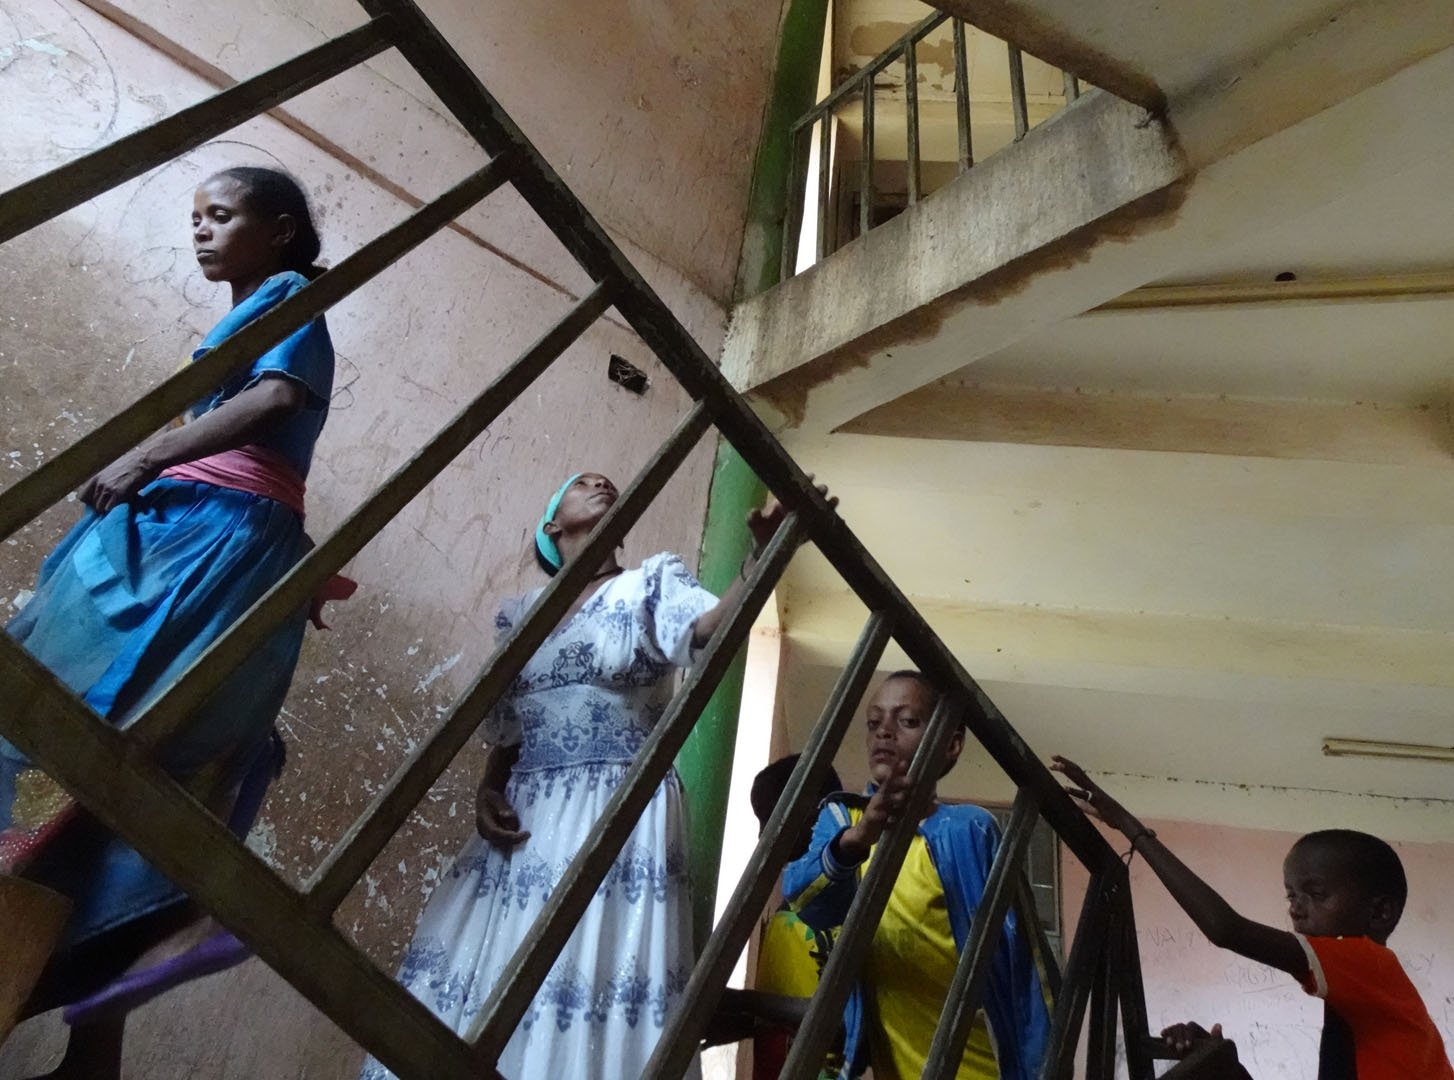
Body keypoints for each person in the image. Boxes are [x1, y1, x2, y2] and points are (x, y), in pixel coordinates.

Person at [0, 166, 336, 1078]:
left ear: (281, 230)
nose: (200, 233)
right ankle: (88, 1044)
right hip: (191, 533)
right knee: (102, 767)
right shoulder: (254, 304)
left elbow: (275, 399)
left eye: (221, 216)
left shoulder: (294, 294)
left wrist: (150, 451)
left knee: (90, 742)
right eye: (194, 219)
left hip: (208, 546)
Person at [362, 472, 828, 1080]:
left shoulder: (649, 585)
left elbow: (707, 630)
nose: (601, 484)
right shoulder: (521, 617)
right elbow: (509, 726)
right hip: (525, 821)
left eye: (607, 482)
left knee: (588, 974)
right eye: (581, 483)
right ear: (553, 526)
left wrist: (759, 559)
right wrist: (487, 789)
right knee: (492, 979)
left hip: (619, 809)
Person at [1051, 755, 1454, 1080]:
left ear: (1380, 912)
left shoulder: (1368, 962)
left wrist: (1132, 829)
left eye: (1315, 894)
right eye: (1291, 895)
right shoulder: (1360, 999)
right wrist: (1226, 1065)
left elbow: (1226, 928)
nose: (1296, 907)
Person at [783, 672, 1051, 1080]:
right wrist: (859, 838)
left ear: (951, 744)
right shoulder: (842, 820)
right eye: (874, 723)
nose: (884, 733)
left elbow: (1023, 960)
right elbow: (807, 904)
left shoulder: (968, 830)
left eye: (906, 721)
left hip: (981, 1066)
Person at [748, 755, 844, 1080]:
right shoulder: (787, 914)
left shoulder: (850, 909)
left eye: (769, 817)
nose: (763, 834)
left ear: (814, 810)